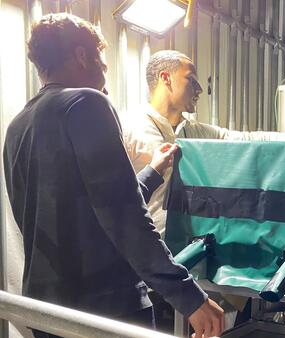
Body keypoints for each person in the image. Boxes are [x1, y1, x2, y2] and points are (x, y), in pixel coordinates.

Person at [2, 13, 224, 338]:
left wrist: (152, 172)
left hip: (47, 311)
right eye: (102, 60)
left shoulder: (18, 125)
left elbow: (91, 207)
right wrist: (188, 296)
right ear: (82, 55)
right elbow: (125, 216)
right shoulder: (86, 102)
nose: (105, 71)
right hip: (105, 312)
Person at [122, 50, 285, 233]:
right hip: (147, 252)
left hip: (189, 249)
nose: (200, 89)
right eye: (191, 80)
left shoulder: (193, 131)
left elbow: (247, 138)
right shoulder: (128, 127)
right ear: (165, 78)